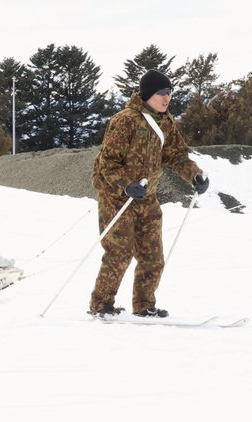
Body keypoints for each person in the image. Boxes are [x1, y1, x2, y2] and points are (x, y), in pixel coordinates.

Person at [88, 69, 210, 318]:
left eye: (170, 93)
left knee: (153, 256)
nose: (167, 98)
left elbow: (175, 155)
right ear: (146, 95)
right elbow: (108, 163)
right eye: (161, 93)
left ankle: (144, 305)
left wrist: (194, 175)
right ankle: (101, 305)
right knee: (119, 253)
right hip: (117, 197)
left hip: (147, 197)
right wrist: (125, 185)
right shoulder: (125, 120)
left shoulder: (166, 121)